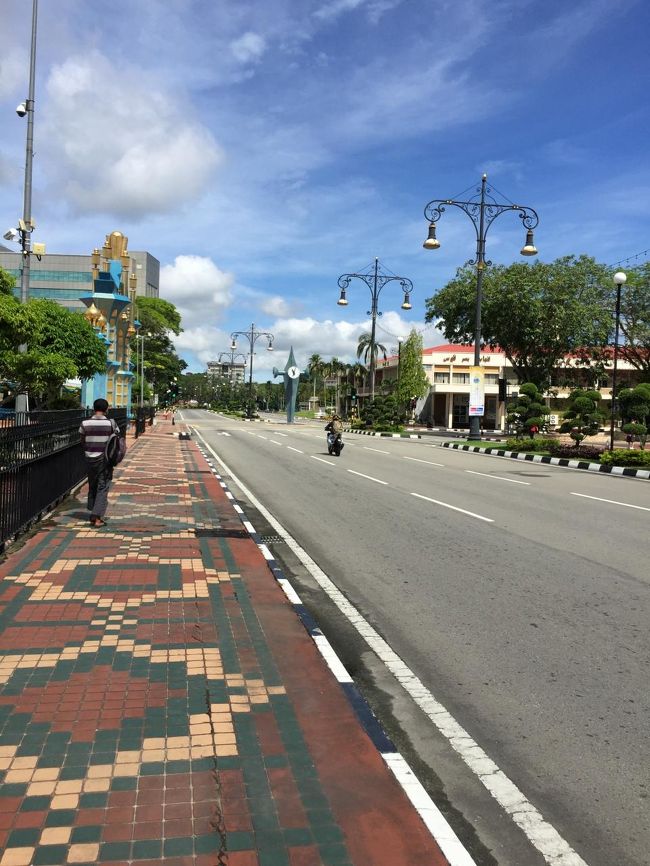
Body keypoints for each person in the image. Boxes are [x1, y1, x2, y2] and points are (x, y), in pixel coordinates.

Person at [79, 398, 117, 527]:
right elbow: (115, 440)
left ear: (94, 409)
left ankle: (92, 511)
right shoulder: (110, 424)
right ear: (106, 409)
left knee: (93, 484)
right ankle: (97, 517)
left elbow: (82, 440)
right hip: (104, 460)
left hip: (89, 458)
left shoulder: (85, 423)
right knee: (103, 486)